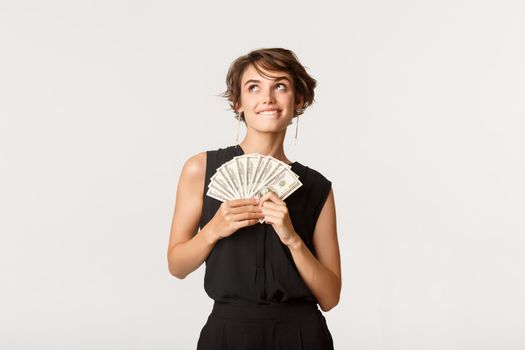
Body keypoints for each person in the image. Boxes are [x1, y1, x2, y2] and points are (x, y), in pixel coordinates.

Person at [167, 47, 341, 349]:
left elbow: (330, 297)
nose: (268, 98)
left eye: (281, 86)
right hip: (228, 333)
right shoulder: (200, 169)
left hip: (302, 335)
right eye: (254, 87)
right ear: (238, 103)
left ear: (298, 100)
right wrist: (214, 229)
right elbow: (177, 266)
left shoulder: (316, 187)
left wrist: (292, 239)